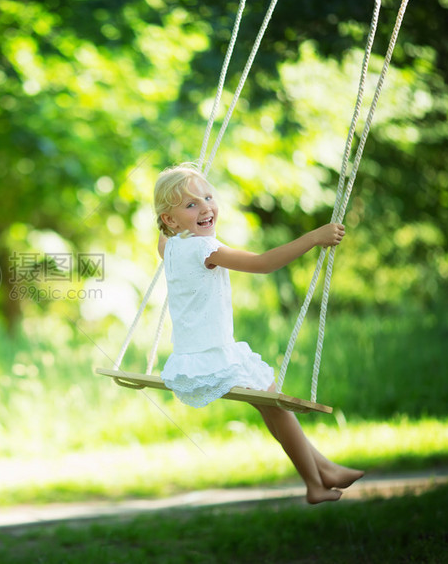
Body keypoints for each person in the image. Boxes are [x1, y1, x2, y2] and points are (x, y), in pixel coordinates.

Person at [154, 163, 364, 504]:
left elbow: (162, 236)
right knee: (278, 406)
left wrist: (178, 206)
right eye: (191, 204)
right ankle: (315, 483)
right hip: (216, 358)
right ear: (171, 219)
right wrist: (314, 238)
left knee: (271, 407)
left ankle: (324, 469)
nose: (205, 207)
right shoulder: (206, 250)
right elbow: (264, 263)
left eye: (208, 197)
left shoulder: (170, 248)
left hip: (189, 360)